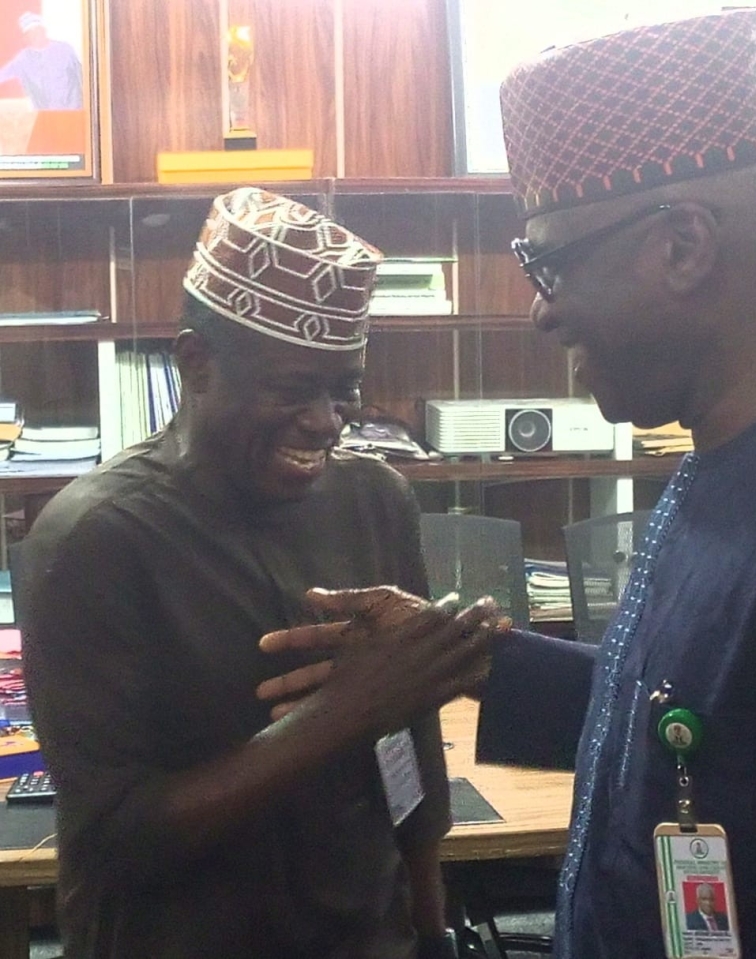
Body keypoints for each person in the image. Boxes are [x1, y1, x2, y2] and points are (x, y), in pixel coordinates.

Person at [258, 9, 756, 959]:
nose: (542, 312)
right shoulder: (734, 442)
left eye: (551, 261)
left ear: (683, 245)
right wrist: (470, 660)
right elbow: (715, 724)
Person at [19, 187, 498, 959]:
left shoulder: (375, 499)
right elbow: (113, 842)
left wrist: (432, 931)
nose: (326, 419)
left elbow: (410, 750)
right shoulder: (94, 538)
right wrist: (343, 710)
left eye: (343, 386)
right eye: (291, 387)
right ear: (195, 363)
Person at [0, 12, 83, 110]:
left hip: (74, 112)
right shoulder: (22, 60)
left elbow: (82, 76)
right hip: (45, 116)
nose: (36, 35)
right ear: (26, 38)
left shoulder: (65, 49)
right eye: (31, 33)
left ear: (44, 31)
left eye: (38, 31)